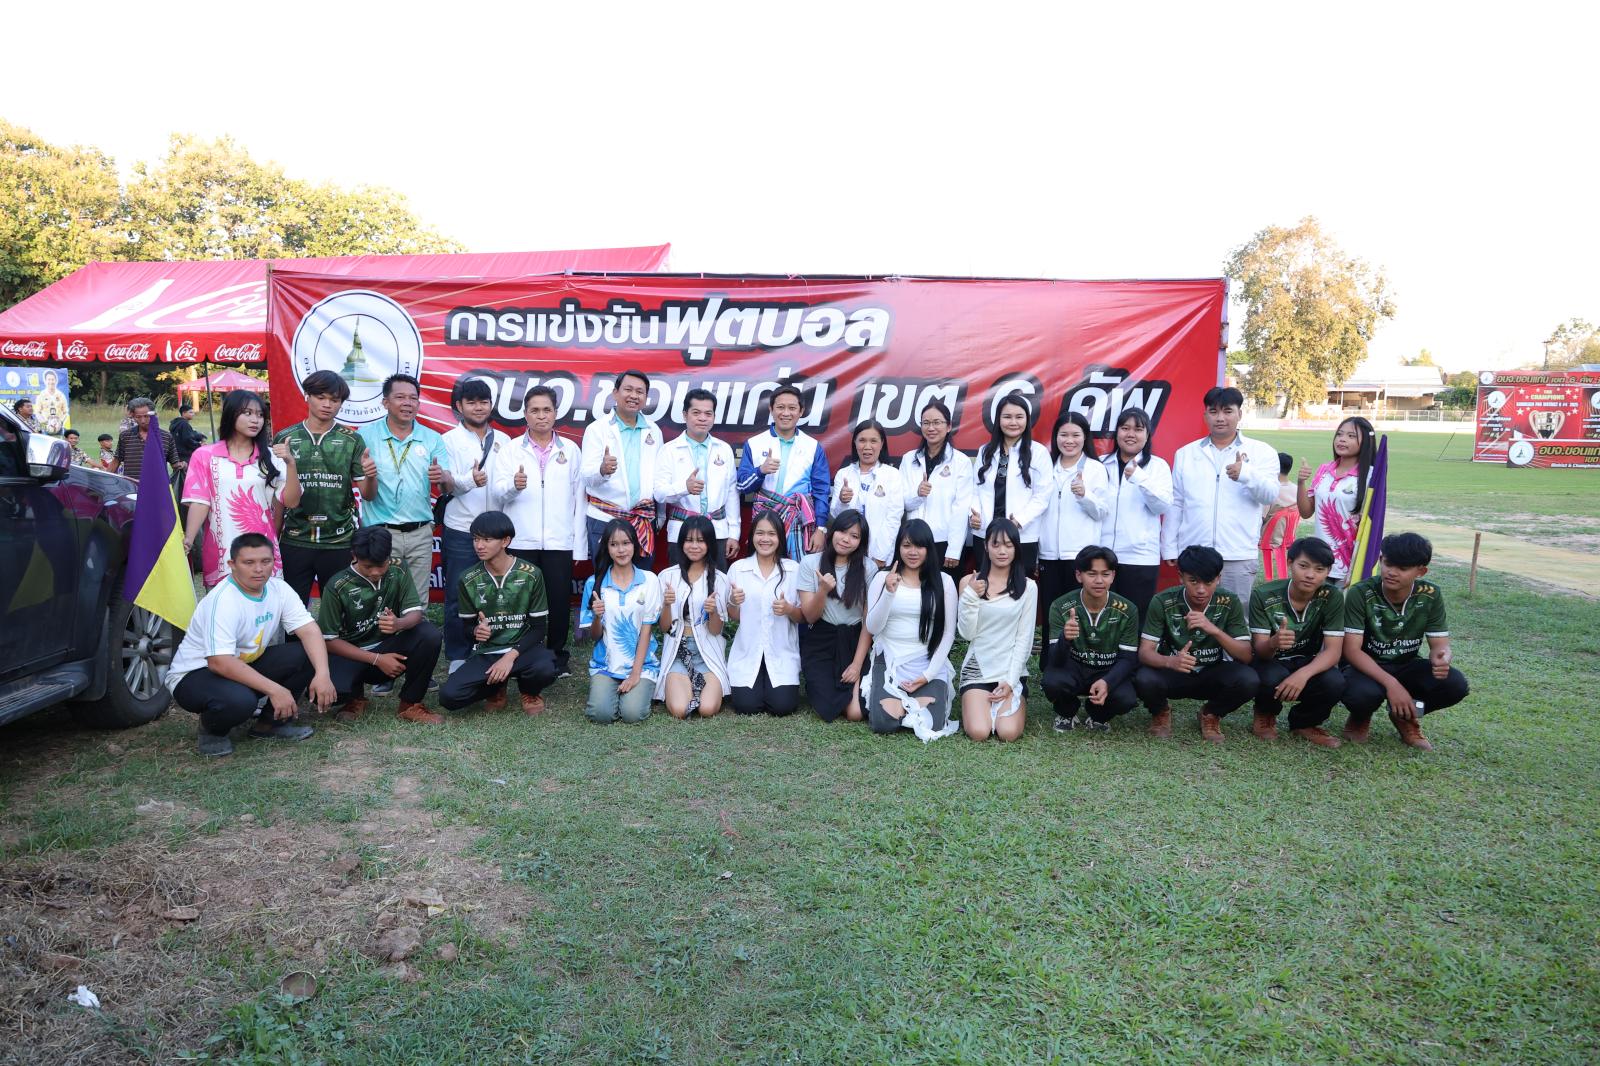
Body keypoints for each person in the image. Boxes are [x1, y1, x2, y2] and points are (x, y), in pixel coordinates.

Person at [165, 533, 337, 757]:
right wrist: (275, 689)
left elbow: (309, 630)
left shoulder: (279, 589)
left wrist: (323, 674)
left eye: (265, 561)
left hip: (242, 664)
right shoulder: (223, 600)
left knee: (307, 654)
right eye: (249, 562)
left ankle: (270, 724)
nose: (259, 569)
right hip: (196, 674)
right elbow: (219, 662)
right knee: (240, 701)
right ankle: (212, 730)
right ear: (232, 564)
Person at [1340, 532, 1469, 751]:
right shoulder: (1361, 593)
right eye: (1388, 563)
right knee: (1362, 695)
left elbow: (1440, 644)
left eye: (1403, 568)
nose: (1391, 572)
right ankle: (1360, 715)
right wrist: (1392, 685)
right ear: (1381, 560)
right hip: (1363, 665)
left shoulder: (1430, 595)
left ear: (1421, 571)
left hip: (1406, 663)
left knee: (1454, 684)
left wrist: (1442, 656)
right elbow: (1352, 651)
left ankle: (1404, 716)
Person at [495, 384, 584, 677]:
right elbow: (497, 492)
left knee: (558, 602)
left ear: (556, 413)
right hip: (521, 540)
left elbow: (579, 500)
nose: (541, 416)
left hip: (559, 541)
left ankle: (557, 656)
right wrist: (513, 486)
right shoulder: (511, 450)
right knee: (521, 603)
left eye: (547, 410)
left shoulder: (570, 450)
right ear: (525, 414)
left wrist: (578, 544)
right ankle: (522, 656)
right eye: (535, 410)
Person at [1161, 386, 1281, 598]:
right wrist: (1170, 546)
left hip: (1237, 552)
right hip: (1194, 551)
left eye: (1227, 411)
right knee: (1193, 610)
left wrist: (1246, 474)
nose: (1220, 418)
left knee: (1235, 612)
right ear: (1205, 415)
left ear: (1239, 414)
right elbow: (1176, 502)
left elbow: (1270, 495)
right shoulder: (1186, 453)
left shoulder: (1262, 451)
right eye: (1213, 411)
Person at [439, 510, 560, 716]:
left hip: (523, 651)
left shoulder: (531, 574)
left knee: (546, 668)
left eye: (487, 540)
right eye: (476, 539)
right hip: (488, 652)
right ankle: (496, 686)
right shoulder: (468, 578)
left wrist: (509, 658)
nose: (479, 545)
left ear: (505, 541)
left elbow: (539, 629)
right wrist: (476, 631)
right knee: (449, 696)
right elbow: (467, 628)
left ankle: (529, 691)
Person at [318, 526, 444, 725]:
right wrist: (377, 659)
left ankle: (410, 704)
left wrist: (399, 624)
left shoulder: (399, 568)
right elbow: (328, 641)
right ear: (354, 556)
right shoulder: (337, 585)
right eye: (368, 566)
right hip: (353, 655)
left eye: (381, 565)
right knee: (329, 692)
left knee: (430, 635)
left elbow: (415, 613)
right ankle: (354, 699)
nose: (376, 572)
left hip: (389, 651)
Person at [1134, 544, 1257, 743]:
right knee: (1143, 678)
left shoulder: (1229, 601)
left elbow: (1246, 655)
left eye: (1208, 582)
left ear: (1218, 578)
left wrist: (1214, 630)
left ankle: (1211, 713)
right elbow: (1144, 653)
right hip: (1174, 673)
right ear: (1180, 577)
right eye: (1193, 581)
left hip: (1211, 672)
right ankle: (1160, 712)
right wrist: (1171, 661)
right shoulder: (1162, 601)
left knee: (1248, 679)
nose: (1201, 590)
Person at [276, 370, 376, 604]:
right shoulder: (285, 437)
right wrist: (274, 535)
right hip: (295, 538)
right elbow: (277, 495)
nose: (328, 404)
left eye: (334, 399)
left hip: (338, 539)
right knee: (293, 610)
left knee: (338, 609)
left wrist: (372, 476)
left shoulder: (352, 439)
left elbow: (368, 494)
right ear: (307, 396)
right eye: (321, 397)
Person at [181, 390, 298, 589]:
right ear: (231, 414)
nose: (255, 420)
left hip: (262, 551)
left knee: (264, 606)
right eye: (248, 413)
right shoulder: (204, 455)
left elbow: (292, 501)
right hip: (221, 551)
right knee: (222, 606)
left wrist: (291, 464)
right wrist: (189, 540)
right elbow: (200, 502)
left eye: (260, 415)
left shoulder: (272, 457)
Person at [439, 377, 512, 672]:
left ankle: (494, 649)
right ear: (459, 406)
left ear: (491, 405)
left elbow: (507, 485)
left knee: (498, 594)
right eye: (471, 402)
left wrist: (516, 486)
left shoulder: (505, 441)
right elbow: (445, 485)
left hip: (498, 532)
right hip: (461, 529)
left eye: (484, 402)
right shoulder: (448, 440)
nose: (478, 407)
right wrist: (470, 480)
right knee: (458, 595)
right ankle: (458, 655)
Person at [1247, 536, 1348, 748]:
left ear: (1328, 572)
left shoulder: (1332, 596)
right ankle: (1265, 713)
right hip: (1271, 661)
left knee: (1335, 681)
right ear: (1290, 563)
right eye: (1303, 566)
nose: (1310, 575)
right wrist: (1273, 642)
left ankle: (1304, 723)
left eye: (1319, 569)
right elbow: (1260, 650)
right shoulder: (1263, 595)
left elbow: (1333, 651)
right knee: (1269, 676)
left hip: (1307, 660)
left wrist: (1303, 674)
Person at [863, 518, 958, 739]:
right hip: (890, 659)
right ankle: (908, 705)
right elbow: (872, 627)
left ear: (929, 549)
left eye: (919, 546)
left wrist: (927, 675)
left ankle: (905, 705)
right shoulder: (882, 578)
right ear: (898, 547)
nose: (912, 552)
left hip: (927, 661)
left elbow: (948, 633)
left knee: (933, 723)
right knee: (882, 723)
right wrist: (889, 593)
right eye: (906, 545)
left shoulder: (944, 581)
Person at [358, 374, 449, 604]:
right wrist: (369, 475)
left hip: (420, 532)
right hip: (380, 532)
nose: (408, 403)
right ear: (385, 402)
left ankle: (416, 630)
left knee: (417, 602)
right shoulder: (365, 436)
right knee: (379, 600)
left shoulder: (432, 438)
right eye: (400, 397)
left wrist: (443, 477)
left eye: (413, 398)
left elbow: (446, 487)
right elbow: (367, 495)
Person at [1042, 545, 1140, 733]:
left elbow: (1128, 659)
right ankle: (1067, 712)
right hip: (1073, 668)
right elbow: (1053, 659)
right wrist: (1065, 639)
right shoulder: (1061, 606)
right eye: (1092, 574)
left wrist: (1108, 682)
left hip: (1107, 669)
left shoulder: (1128, 609)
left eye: (1105, 574)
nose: (1099, 581)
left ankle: (1098, 715)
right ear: (1079, 575)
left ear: (1113, 576)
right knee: (1052, 682)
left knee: (1126, 699)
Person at [956, 518, 1038, 742]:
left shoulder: (1028, 587)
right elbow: (966, 634)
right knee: (979, 732)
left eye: (1008, 545)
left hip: (1010, 669)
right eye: (996, 544)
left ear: (1016, 548)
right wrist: (971, 595)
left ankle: (1013, 699)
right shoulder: (969, 582)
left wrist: (1010, 681)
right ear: (986, 546)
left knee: (1008, 732)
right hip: (978, 668)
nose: (1002, 551)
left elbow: (1024, 639)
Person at [578, 518, 663, 724]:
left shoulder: (650, 580)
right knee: (601, 715)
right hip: (606, 665)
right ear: (607, 548)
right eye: (614, 544)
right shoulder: (594, 583)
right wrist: (597, 617)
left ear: (635, 544)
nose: (621, 550)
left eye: (626, 543)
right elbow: (595, 636)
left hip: (642, 664)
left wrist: (635, 674)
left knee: (632, 714)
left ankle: (639, 688)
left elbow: (646, 630)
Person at [580, 369, 664, 568]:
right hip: (605, 519)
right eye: (628, 389)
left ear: (645, 397)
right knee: (605, 580)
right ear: (615, 393)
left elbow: (659, 477)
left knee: (642, 581)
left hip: (643, 520)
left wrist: (660, 516)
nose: (634, 395)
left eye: (640, 392)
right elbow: (585, 477)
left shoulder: (654, 430)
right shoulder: (597, 429)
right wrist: (602, 470)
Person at [736, 383, 831, 557]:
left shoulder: (812, 446)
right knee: (762, 566)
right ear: (771, 409)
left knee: (797, 569)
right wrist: (760, 471)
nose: (786, 413)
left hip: (798, 520)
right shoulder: (755, 443)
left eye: (792, 408)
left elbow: (821, 492)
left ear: (801, 412)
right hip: (764, 520)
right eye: (780, 407)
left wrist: (821, 529)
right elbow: (742, 486)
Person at [1039, 411, 1111, 636]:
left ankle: (1079, 657)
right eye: (1064, 435)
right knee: (1051, 613)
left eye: (1075, 435)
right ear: (1055, 437)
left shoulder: (1095, 469)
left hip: (1080, 556)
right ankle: (1050, 657)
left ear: (1085, 437)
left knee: (1078, 616)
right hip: (1048, 556)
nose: (1069, 441)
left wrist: (1084, 495)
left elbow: (1102, 512)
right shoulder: (1046, 467)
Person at [725, 511, 804, 716]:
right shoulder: (738, 569)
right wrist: (733, 601)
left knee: (782, 706)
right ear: (752, 536)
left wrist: (788, 609)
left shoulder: (793, 569)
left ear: (780, 537)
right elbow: (734, 616)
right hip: (748, 650)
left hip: (781, 652)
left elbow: (802, 617)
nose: (765, 539)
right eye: (760, 533)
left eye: (771, 534)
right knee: (747, 706)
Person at [798, 510, 874, 722]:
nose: (846, 539)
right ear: (832, 532)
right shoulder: (810, 563)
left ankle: (856, 682)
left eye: (854, 536)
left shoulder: (868, 568)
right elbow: (809, 617)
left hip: (855, 640)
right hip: (821, 640)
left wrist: (856, 665)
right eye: (842, 531)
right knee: (826, 706)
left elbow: (868, 622)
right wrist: (822, 590)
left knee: (855, 713)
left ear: (861, 542)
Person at [1098, 407, 1171, 621]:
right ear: (1117, 432)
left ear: (1147, 435)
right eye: (1125, 428)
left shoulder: (1157, 466)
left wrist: (1140, 478)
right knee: (1102, 620)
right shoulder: (1101, 463)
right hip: (1102, 556)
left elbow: (1162, 506)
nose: (1130, 434)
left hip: (1139, 557)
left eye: (1138, 429)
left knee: (1134, 621)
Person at [655, 516, 732, 718]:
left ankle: (696, 685)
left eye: (701, 541)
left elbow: (716, 630)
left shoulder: (721, 579)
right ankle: (683, 683)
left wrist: (713, 611)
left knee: (707, 709)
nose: (695, 546)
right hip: (678, 651)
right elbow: (664, 628)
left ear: (710, 544)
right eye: (689, 540)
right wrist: (667, 604)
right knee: (680, 710)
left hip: (707, 653)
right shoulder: (667, 576)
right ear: (681, 543)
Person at [654, 387, 741, 563]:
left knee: (717, 579)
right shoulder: (668, 450)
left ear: (714, 417)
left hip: (717, 532)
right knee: (681, 580)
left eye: (708, 413)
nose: (702, 418)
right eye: (696, 413)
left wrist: (734, 533)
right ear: (685, 415)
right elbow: (659, 494)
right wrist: (684, 488)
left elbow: (732, 492)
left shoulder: (724, 449)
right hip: (682, 533)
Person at [971, 392, 1050, 575]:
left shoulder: (1038, 453)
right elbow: (975, 490)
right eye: (1007, 417)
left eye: (1019, 417)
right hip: (986, 535)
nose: (1013, 422)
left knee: (1019, 586)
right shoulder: (985, 451)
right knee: (986, 585)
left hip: (1022, 536)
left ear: (1027, 420)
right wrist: (974, 515)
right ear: (998, 420)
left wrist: (1018, 522)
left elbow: (1042, 496)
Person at [1296, 416, 1376, 584]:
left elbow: (1372, 525)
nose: (1342, 439)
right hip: (1320, 563)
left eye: (1351, 436)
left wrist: (1359, 566)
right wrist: (1301, 482)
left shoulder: (1371, 475)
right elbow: (1306, 512)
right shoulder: (1324, 469)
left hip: (1351, 565)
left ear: (1366, 442)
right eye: (1339, 434)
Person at [900, 399, 973, 570]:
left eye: (937, 422)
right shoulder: (908, 459)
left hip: (944, 542)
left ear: (948, 427)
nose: (931, 428)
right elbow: (901, 503)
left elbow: (961, 508)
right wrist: (918, 494)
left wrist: (954, 549)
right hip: (913, 541)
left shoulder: (961, 461)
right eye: (926, 423)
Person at [830, 419, 906, 570]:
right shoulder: (844, 474)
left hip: (877, 554)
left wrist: (880, 555)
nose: (867, 446)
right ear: (855, 443)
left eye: (873, 441)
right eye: (862, 440)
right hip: (846, 551)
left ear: (882, 444)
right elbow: (836, 516)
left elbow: (893, 518)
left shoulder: (892, 475)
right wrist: (842, 501)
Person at [113, 397, 180, 484]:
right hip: (131, 486)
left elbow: (175, 463)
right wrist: (103, 482)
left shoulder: (166, 437)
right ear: (133, 416)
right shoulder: (125, 436)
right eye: (138, 417)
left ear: (154, 415)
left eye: (146, 416)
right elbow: (116, 461)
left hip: (157, 486)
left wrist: (185, 465)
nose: (143, 421)